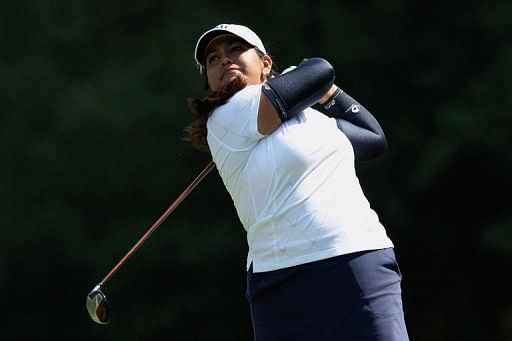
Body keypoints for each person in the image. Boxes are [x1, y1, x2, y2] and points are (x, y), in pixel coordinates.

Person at [185, 23, 409, 340]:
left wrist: (327, 93)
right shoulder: (225, 116)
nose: (224, 60)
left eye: (236, 49)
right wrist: (307, 81)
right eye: (213, 59)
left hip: (354, 260)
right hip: (280, 283)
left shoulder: (314, 120)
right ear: (209, 80)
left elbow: (372, 138)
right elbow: (319, 69)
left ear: (264, 64)